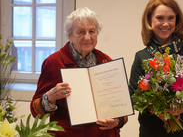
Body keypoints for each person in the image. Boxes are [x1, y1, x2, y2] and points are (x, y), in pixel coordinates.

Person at [30, 7, 128, 137]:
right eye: (81, 32)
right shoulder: (53, 62)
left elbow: (122, 109)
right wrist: (50, 96)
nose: (87, 37)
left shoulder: (106, 61)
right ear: (69, 36)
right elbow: (35, 110)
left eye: (92, 31)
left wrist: (117, 120)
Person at [129, 0, 183, 137]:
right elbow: (133, 95)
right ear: (149, 21)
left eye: (171, 18)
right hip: (153, 131)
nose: (165, 24)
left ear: (177, 21)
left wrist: (182, 108)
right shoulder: (141, 56)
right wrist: (155, 109)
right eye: (160, 18)